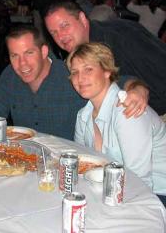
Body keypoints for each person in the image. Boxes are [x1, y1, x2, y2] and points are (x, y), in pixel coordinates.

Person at [0, 26, 146, 143]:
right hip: (24, 161)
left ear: (43, 51)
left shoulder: (71, 73)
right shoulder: (11, 75)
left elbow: (113, 79)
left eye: (29, 53)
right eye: (14, 56)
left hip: (67, 164)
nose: (22, 64)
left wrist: (138, 89)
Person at [67, 42, 166, 205]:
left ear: (107, 71)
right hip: (116, 189)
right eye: (74, 72)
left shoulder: (127, 111)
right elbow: (82, 165)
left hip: (156, 194)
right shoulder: (83, 116)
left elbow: (140, 183)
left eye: (88, 69)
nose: (80, 78)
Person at [44, 0, 166, 115]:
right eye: (53, 33)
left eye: (64, 26)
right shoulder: (78, 56)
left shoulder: (119, 38)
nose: (60, 36)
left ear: (82, 18)